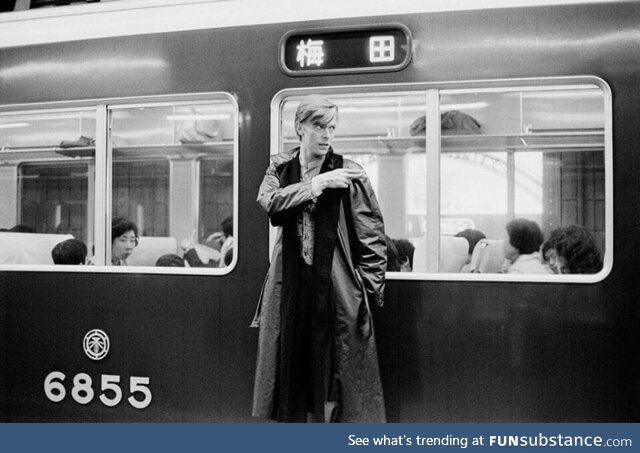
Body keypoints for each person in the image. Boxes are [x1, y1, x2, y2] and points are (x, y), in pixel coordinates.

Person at [251, 95, 387, 423]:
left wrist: (364, 294)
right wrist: (318, 184)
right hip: (291, 288)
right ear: (300, 128)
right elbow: (270, 203)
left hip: (336, 288)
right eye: (319, 126)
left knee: (335, 373)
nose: (327, 135)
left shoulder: (351, 172)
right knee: (290, 368)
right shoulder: (281, 167)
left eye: (332, 127)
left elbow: (372, 237)